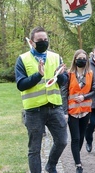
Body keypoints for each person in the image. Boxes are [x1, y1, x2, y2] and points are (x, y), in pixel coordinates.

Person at [15, 26, 68, 173]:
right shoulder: (22, 59)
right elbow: (21, 85)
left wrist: (61, 75)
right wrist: (38, 75)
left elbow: (64, 81)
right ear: (32, 42)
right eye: (39, 40)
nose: (43, 42)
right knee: (34, 149)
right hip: (34, 111)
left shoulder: (56, 57)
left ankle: (51, 165)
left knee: (62, 141)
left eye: (45, 40)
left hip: (55, 107)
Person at [61, 49, 95, 173]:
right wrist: (65, 112)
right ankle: (78, 164)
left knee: (81, 137)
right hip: (72, 112)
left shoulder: (90, 73)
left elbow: (94, 90)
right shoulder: (68, 74)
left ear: (86, 60)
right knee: (75, 138)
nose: (81, 60)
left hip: (86, 111)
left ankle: (77, 156)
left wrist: (84, 97)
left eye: (83, 58)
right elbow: (64, 93)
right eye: (79, 58)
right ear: (75, 60)